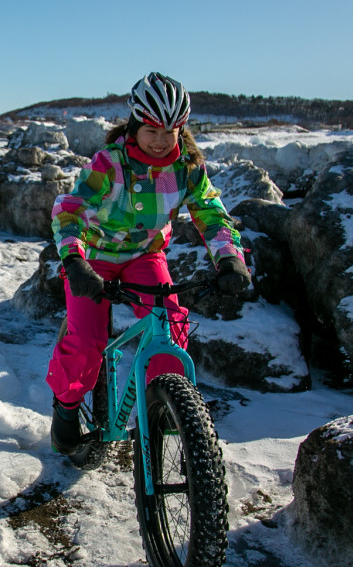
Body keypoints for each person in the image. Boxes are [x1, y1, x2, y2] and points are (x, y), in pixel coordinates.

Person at [46, 71, 250, 456]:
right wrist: (73, 260)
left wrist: (230, 259)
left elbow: (211, 212)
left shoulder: (188, 167)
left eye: (170, 133)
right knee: (88, 340)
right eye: (152, 131)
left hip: (144, 255)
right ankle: (67, 408)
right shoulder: (109, 163)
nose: (160, 142)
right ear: (136, 125)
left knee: (171, 325)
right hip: (96, 257)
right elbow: (70, 209)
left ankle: (162, 402)